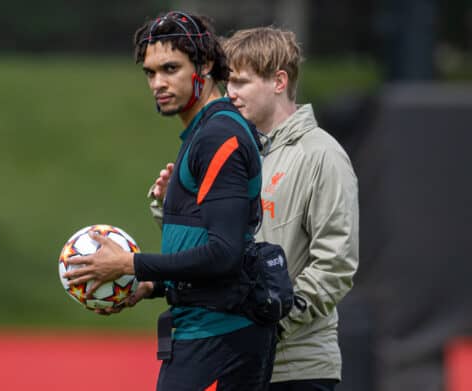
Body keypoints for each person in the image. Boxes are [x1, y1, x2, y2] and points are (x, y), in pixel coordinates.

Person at [64, 12, 275, 391]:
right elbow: (212, 253)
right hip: (207, 328)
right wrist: (153, 286)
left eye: (171, 68)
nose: (158, 83)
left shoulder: (219, 135)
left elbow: (224, 253)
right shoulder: (204, 133)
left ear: (206, 65)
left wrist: (130, 264)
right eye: (150, 72)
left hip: (219, 334)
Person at [149, 27, 359, 391]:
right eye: (227, 82)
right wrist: (174, 205)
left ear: (279, 81)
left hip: (298, 369)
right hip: (237, 360)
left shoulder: (322, 155)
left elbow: (335, 265)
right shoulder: (234, 148)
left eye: (241, 83)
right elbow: (219, 249)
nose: (229, 93)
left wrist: (270, 321)